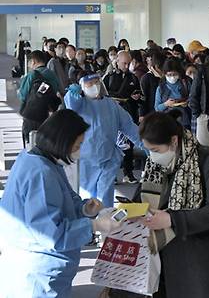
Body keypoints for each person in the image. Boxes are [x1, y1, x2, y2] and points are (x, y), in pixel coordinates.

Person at [0, 110, 121, 298]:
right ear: (63, 141)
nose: (80, 150)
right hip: (38, 272)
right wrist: (95, 225)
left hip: (39, 267)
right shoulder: (40, 174)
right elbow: (51, 235)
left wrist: (83, 208)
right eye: (78, 145)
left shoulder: (38, 160)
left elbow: (60, 199)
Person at [139, 111, 209, 298]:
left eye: (156, 150)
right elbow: (142, 198)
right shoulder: (155, 166)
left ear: (174, 141)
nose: (152, 156)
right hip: (166, 256)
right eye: (149, 150)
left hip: (203, 257)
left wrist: (171, 219)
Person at [65, 73, 144, 208]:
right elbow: (71, 106)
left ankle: (106, 224)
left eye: (96, 82)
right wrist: (73, 93)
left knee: (105, 195)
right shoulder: (80, 104)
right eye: (89, 84)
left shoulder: (111, 105)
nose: (94, 86)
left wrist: (146, 145)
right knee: (87, 197)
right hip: (86, 160)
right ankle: (90, 225)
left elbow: (129, 127)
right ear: (82, 87)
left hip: (108, 158)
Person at [104, 50, 143, 183]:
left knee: (129, 145)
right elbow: (104, 95)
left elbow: (140, 97)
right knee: (111, 144)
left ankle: (128, 172)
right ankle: (112, 174)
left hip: (128, 112)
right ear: (117, 62)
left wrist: (136, 97)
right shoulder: (108, 77)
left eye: (128, 63)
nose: (126, 66)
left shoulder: (133, 78)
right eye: (124, 63)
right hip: (112, 114)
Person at [18, 50, 61, 145]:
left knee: (30, 143)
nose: (29, 66)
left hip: (32, 115)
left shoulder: (32, 74)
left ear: (33, 61)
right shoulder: (52, 74)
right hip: (48, 114)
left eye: (29, 63)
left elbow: (23, 95)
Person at [155, 59, 193, 130]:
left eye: (175, 74)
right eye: (169, 75)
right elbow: (157, 108)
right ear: (165, 74)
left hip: (185, 120)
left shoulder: (185, 84)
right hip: (168, 122)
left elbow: (193, 97)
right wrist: (166, 104)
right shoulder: (161, 88)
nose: (172, 77)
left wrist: (187, 102)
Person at [140, 50, 165, 122]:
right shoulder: (146, 78)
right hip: (151, 113)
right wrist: (142, 114)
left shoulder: (165, 77)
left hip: (164, 112)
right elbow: (143, 97)